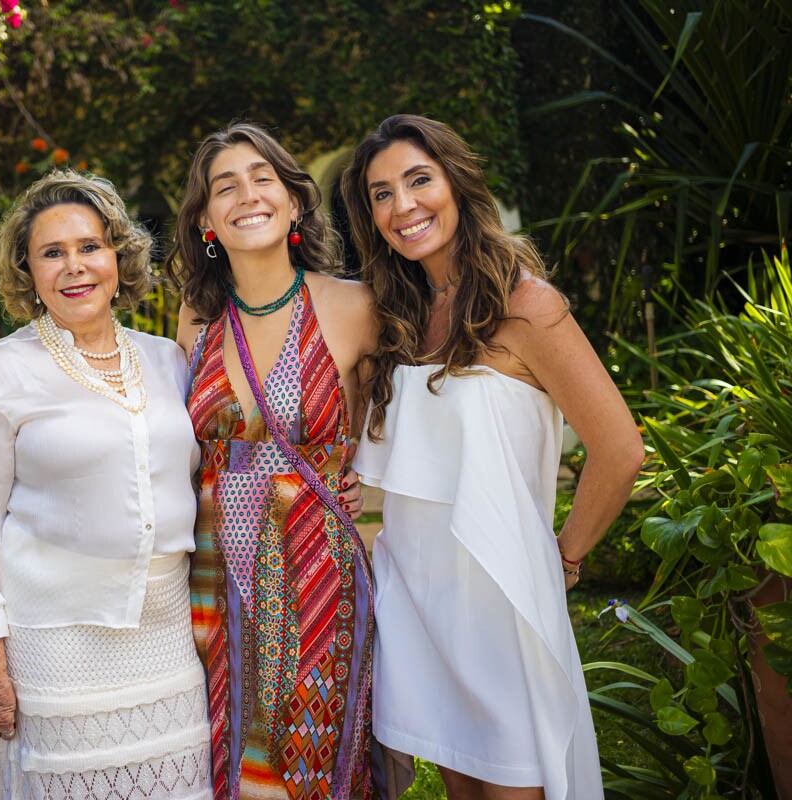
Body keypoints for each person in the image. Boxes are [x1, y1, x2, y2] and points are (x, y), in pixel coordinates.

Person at [341, 114, 644, 800]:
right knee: (461, 786)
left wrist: (564, 558)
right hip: (418, 595)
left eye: (419, 180)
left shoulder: (526, 305)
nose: (404, 205)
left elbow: (620, 450)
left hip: (500, 594)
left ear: (457, 180)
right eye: (381, 193)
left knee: (514, 784)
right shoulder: (400, 318)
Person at [0, 170, 212, 799]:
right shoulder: (2, 373)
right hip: (53, 650)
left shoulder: (168, 360)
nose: (75, 267)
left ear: (118, 254)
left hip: (168, 644)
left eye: (90, 247)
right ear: (28, 273)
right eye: (52, 254)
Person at [166, 122, 383, 799]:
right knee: (229, 763)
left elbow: (397, 435)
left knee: (308, 764)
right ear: (206, 220)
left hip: (317, 580)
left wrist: (365, 498)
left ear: (294, 202)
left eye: (263, 178)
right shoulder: (195, 323)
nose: (247, 195)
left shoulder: (352, 307)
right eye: (224, 186)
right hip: (215, 585)